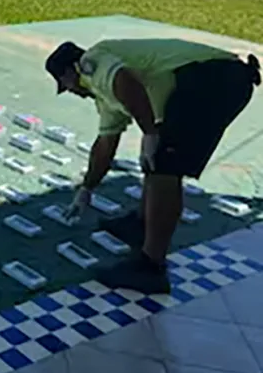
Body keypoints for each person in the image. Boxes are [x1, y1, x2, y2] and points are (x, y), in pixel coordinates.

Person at [45, 38, 260, 294]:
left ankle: (151, 267)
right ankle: (143, 224)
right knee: (155, 158)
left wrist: (150, 133)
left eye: (65, 85)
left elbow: (126, 81)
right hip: (208, 80)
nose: (70, 91)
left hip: (213, 78)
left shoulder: (92, 62)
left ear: (69, 72)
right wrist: (86, 189)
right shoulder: (103, 95)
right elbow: (105, 145)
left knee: (165, 166)